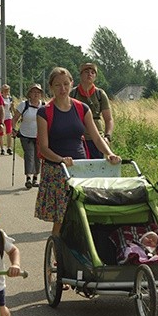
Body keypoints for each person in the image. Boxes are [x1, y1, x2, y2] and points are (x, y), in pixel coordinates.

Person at [35, 67, 121, 236]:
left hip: (81, 168)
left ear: (71, 84)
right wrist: (60, 159)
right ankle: (57, 252)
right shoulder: (44, 112)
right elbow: (43, 147)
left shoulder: (82, 108)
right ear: (51, 87)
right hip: (57, 170)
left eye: (66, 84)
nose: (63, 89)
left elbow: (97, 138)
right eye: (58, 85)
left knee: (86, 213)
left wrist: (109, 153)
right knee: (61, 218)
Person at [71, 62, 114, 159]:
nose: (90, 74)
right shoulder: (73, 93)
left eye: (93, 72)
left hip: (97, 139)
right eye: (86, 72)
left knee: (97, 170)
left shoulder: (100, 94)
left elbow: (109, 119)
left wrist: (107, 137)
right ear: (81, 75)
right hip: (78, 139)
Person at [11, 84, 45, 189]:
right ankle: (28, 178)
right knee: (29, 155)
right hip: (26, 135)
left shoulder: (44, 105)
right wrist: (13, 129)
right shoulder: (23, 105)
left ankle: (35, 178)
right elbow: (15, 118)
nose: (36, 94)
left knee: (38, 157)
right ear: (29, 94)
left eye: (38, 92)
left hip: (39, 136)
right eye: (33, 92)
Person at [0, 84, 14, 156]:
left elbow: (12, 108)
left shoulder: (10, 98)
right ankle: (2, 149)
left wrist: (14, 115)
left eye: (7, 90)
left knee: (9, 132)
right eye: (5, 90)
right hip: (0, 117)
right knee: (0, 133)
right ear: (2, 91)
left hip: (8, 116)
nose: (6, 92)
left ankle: (9, 148)